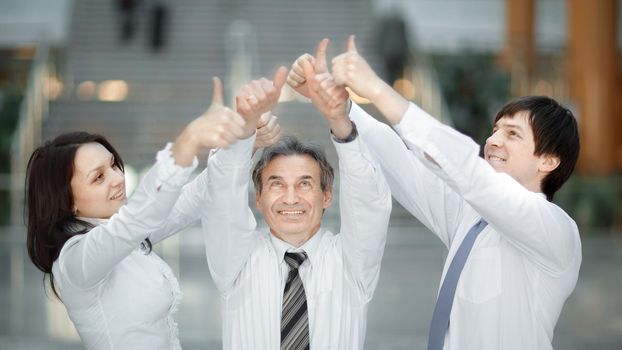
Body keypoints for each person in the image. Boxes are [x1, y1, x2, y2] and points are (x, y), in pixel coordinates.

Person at [288, 36, 581, 350]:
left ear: (548, 160)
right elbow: (401, 163)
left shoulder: (555, 231)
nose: (494, 140)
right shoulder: (471, 217)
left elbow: (469, 173)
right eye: (495, 129)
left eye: (512, 134)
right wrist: (341, 109)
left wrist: (376, 88)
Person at [24, 77, 280, 349]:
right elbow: (136, 220)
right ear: (67, 202)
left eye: (113, 165)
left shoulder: (122, 234)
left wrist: (244, 140)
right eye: (98, 177)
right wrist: (190, 139)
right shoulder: (76, 261)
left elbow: (192, 198)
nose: (117, 178)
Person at [200, 63, 392, 349]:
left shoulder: (352, 265)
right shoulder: (235, 262)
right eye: (277, 184)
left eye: (305, 184)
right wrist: (245, 129)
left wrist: (340, 122)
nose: (291, 198)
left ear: (326, 196)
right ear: (258, 197)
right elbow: (221, 198)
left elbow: (369, 202)